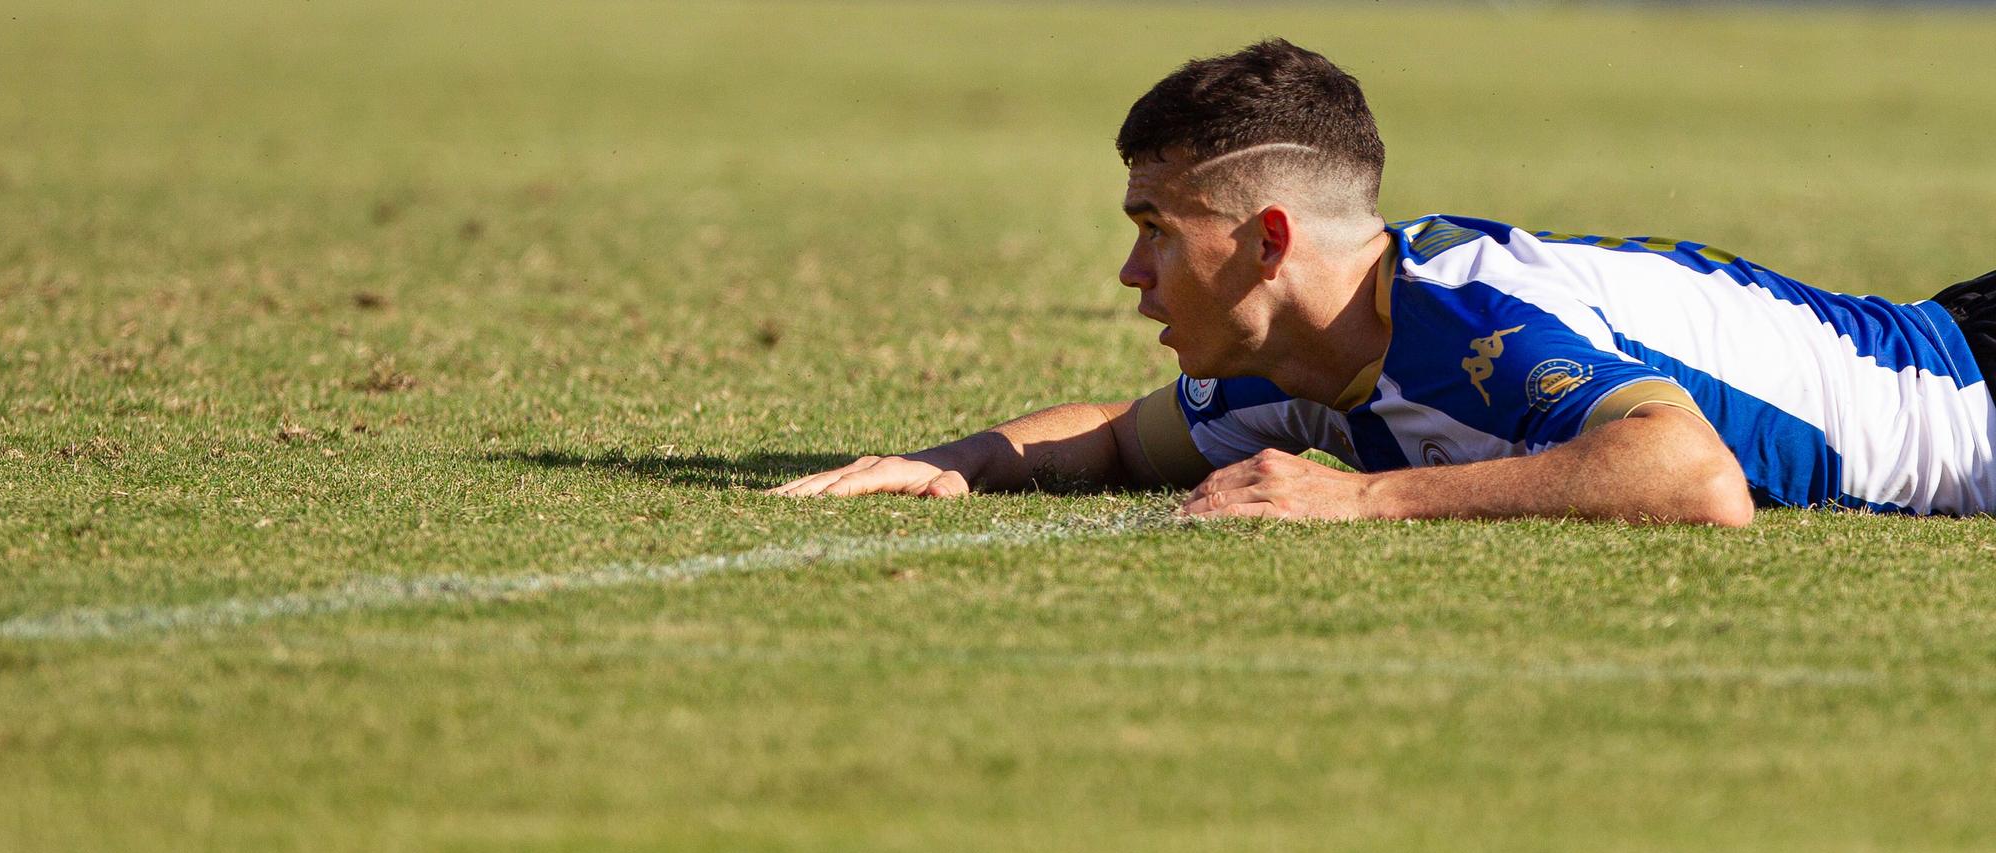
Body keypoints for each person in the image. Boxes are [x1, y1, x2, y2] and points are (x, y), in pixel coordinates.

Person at [772, 39, 1996, 523]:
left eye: (1155, 226)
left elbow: (1688, 477)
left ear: (1265, 240)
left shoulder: (1463, 319)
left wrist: (1356, 506)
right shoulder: (1307, 363)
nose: (1131, 269)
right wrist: (961, 458)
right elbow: (1111, 436)